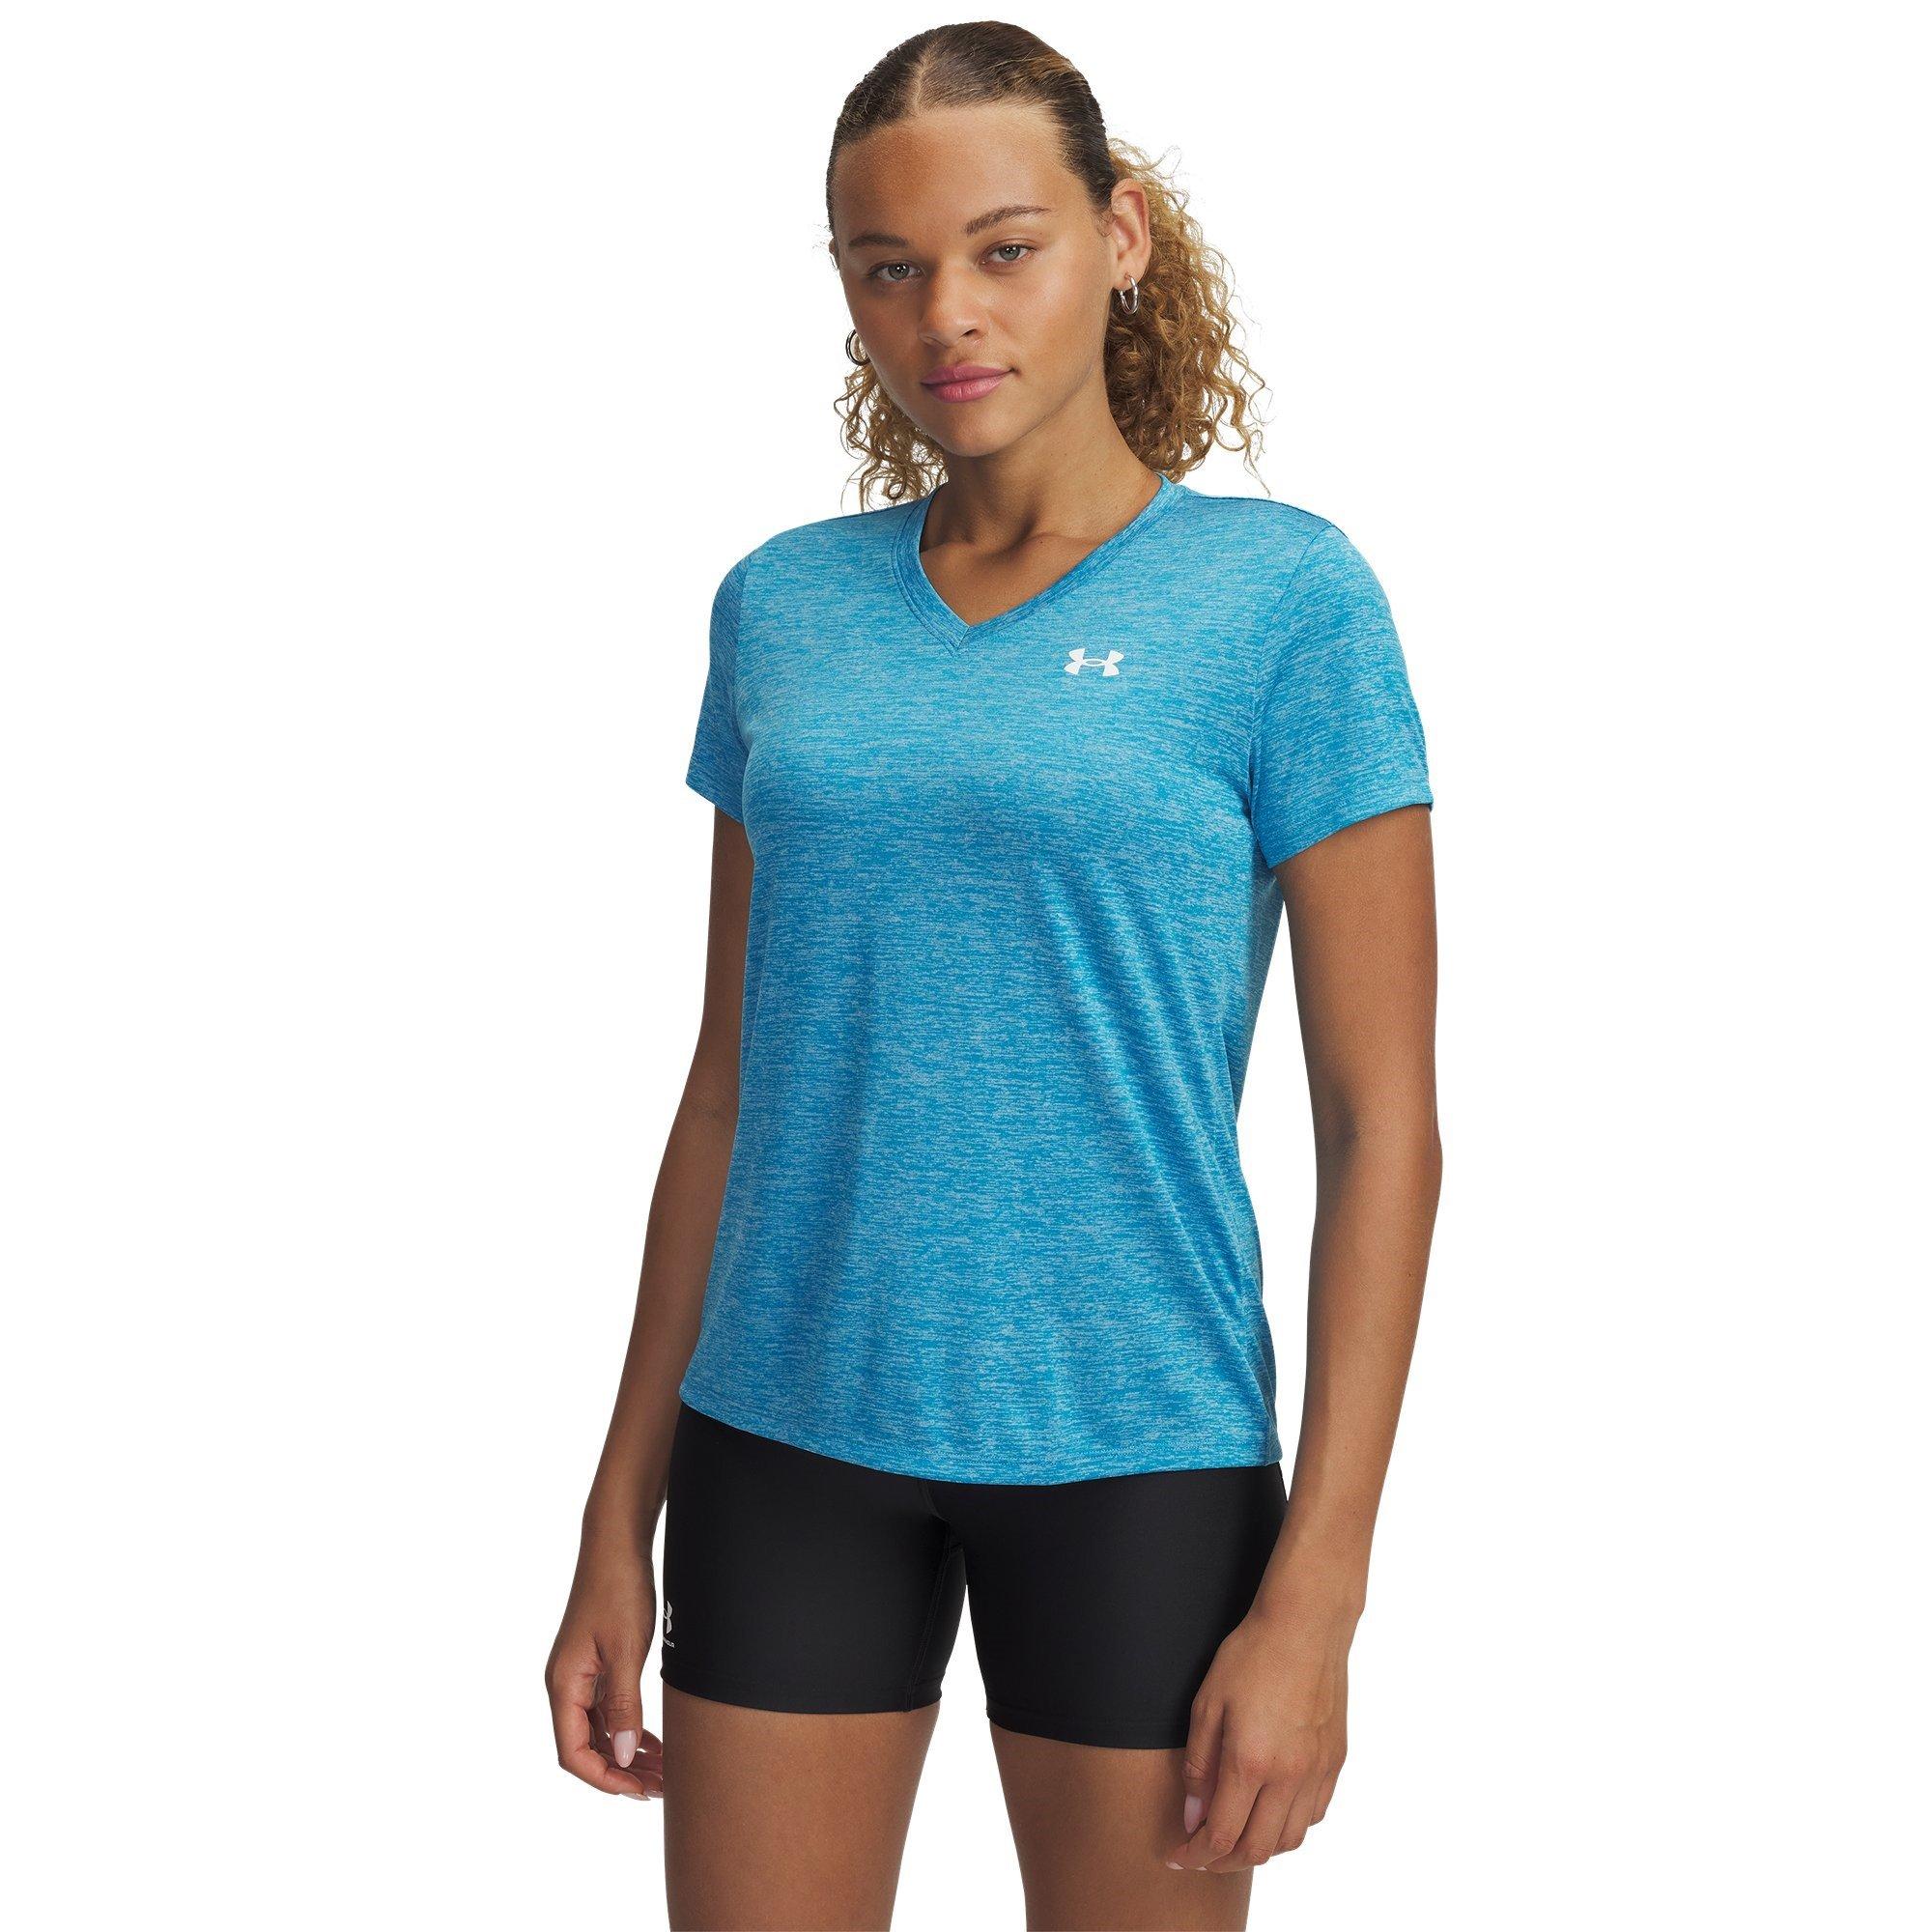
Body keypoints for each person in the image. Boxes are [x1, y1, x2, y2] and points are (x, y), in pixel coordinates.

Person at [546, 21, 1441, 1930]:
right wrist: (617, 1511)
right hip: (781, 1433)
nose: (944, 311)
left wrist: (1318, 1591)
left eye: (1003, 247)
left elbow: (1384, 1128)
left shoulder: (1286, 603)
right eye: (887, 265)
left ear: (1122, 236)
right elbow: (729, 1086)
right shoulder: (781, 606)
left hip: (1136, 1443)